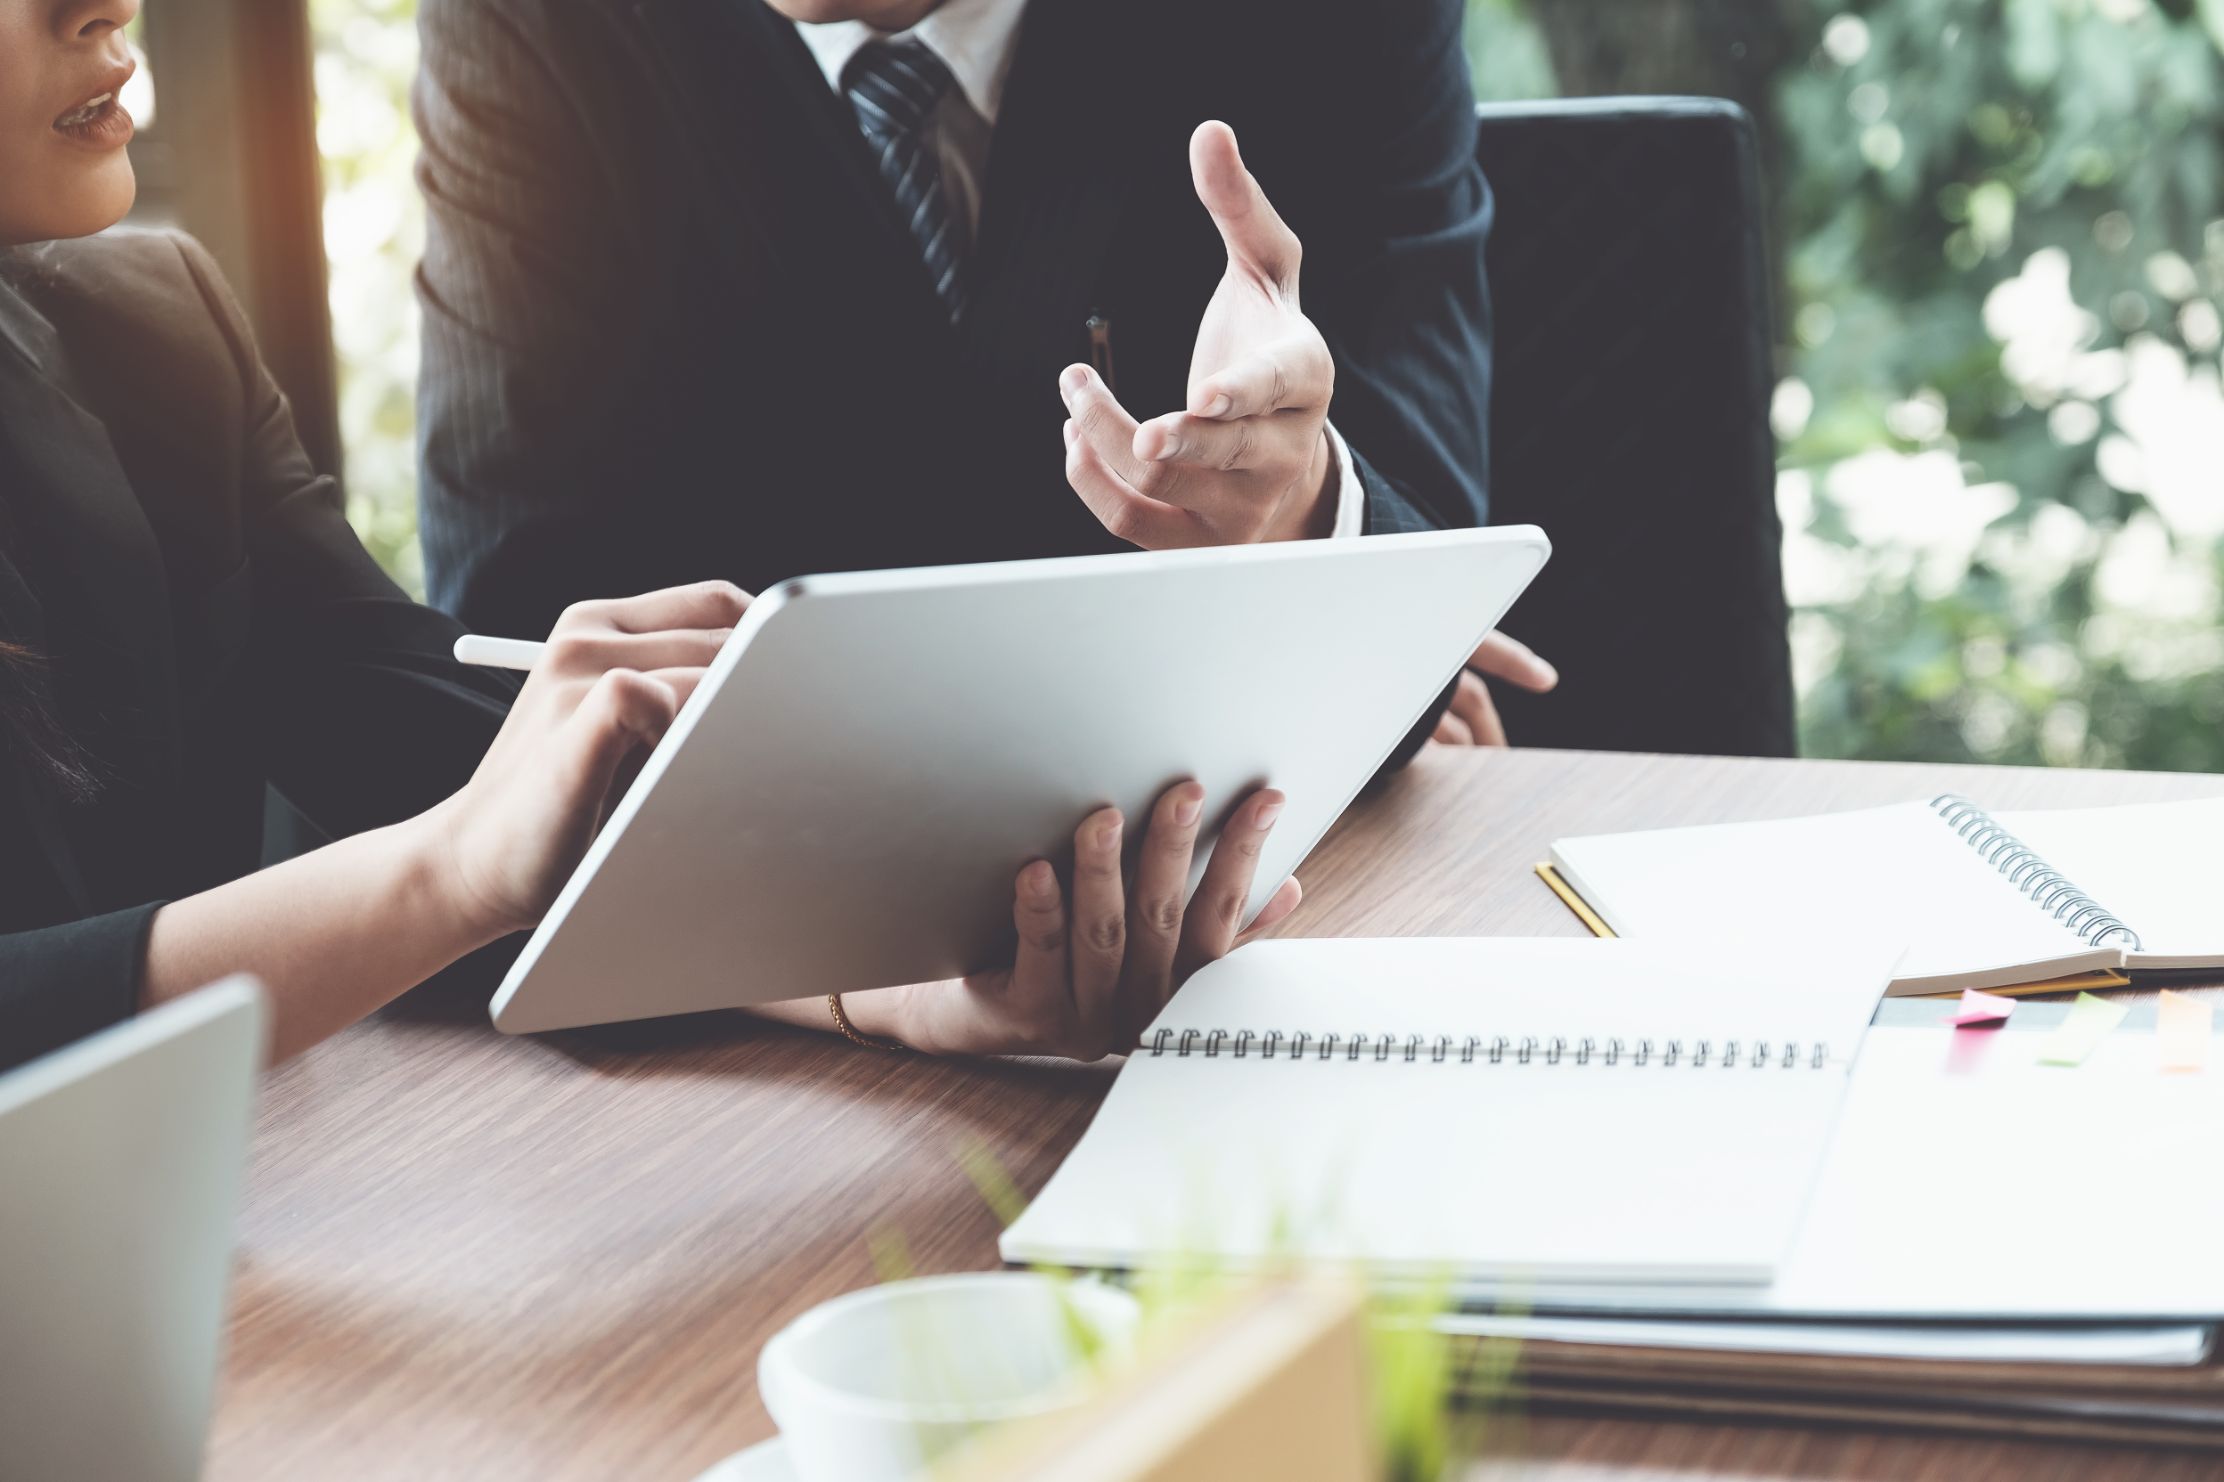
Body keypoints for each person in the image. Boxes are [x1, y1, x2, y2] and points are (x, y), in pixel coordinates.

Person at [0, 0, 1297, 1074]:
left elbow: (436, 762)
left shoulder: (150, 335)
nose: (104, 8)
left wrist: (899, 983)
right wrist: (442, 873)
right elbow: (451, 844)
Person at [412, 0, 1559, 751]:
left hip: (1258, 883)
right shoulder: (535, 25)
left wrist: (1309, 522)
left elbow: (1422, 546)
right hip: (769, 935)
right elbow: (523, 628)